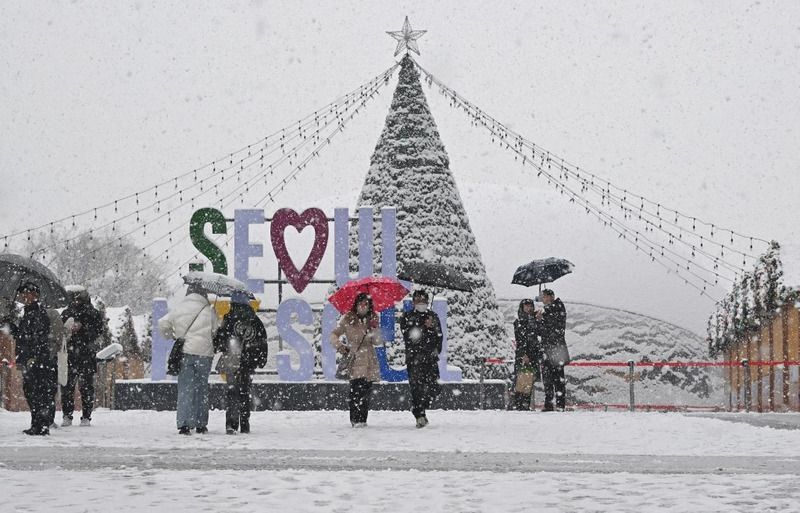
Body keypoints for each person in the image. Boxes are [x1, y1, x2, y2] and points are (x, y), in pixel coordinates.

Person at [158, 284, 218, 435]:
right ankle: (201, 424)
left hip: (186, 353)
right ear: (203, 294)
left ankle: (184, 424)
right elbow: (215, 330)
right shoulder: (209, 310)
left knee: (185, 389)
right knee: (201, 389)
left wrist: (171, 335)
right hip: (205, 354)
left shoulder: (179, 308)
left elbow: (162, 323)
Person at [213, 291, 269, 435]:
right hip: (249, 362)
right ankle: (245, 424)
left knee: (232, 391)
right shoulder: (255, 320)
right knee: (245, 391)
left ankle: (231, 425)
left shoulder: (229, 318)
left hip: (232, 360)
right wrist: (261, 359)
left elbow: (220, 340)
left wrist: (219, 345)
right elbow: (262, 341)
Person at [330, 292, 383, 428]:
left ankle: (363, 419)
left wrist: (375, 328)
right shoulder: (348, 319)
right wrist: (340, 346)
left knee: (366, 391)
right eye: (360, 303)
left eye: (366, 304)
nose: (363, 306)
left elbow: (377, 342)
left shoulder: (373, 318)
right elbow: (334, 334)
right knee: (355, 389)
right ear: (356, 304)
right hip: (354, 356)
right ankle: (355, 419)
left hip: (369, 358)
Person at [10, 282, 56, 435]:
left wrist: (33, 357)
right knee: (31, 393)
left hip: (37, 361)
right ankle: (36, 424)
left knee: (38, 393)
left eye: (27, 293)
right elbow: (24, 336)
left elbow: (38, 338)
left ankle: (41, 425)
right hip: (30, 360)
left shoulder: (38, 313)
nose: (24, 296)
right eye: (23, 293)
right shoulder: (28, 313)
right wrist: (12, 327)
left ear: (35, 295)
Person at [59, 287, 104, 427]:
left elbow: (97, 332)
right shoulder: (67, 312)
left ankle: (85, 416)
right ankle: (68, 415)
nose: (76, 300)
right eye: (75, 298)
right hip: (73, 355)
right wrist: (68, 331)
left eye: (79, 298)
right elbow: (61, 332)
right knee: (69, 387)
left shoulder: (93, 313)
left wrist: (82, 328)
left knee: (85, 388)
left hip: (84, 354)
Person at [399, 289, 442, 428]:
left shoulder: (433, 316)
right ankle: (420, 414)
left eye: (423, 301)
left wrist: (432, 331)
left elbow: (439, 336)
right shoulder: (407, 316)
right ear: (413, 302)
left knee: (433, 388)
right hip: (415, 358)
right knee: (417, 388)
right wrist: (424, 326)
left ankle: (419, 407)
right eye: (418, 300)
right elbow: (410, 336)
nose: (421, 303)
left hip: (430, 359)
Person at [536, 289, 569, 412]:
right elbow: (541, 331)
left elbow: (552, 328)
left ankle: (559, 405)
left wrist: (542, 318)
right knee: (547, 378)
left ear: (551, 297)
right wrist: (540, 319)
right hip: (548, 350)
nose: (543, 300)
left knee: (557, 378)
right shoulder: (549, 311)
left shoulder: (557, 308)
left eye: (544, 297)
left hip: (556, 350)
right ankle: (549, 403)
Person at [512, 299, 540, 411]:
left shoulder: (535, 319)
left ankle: (525, 404)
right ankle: (519, 404)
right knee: (521, 381)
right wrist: (523, 354)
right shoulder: (519, 321)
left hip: (534, 354)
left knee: (529, 380)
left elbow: (538, 334)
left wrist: (538, 320)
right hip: (523, 354)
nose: (529, 308)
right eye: (527, 306)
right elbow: (520, 339)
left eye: (531, 306)